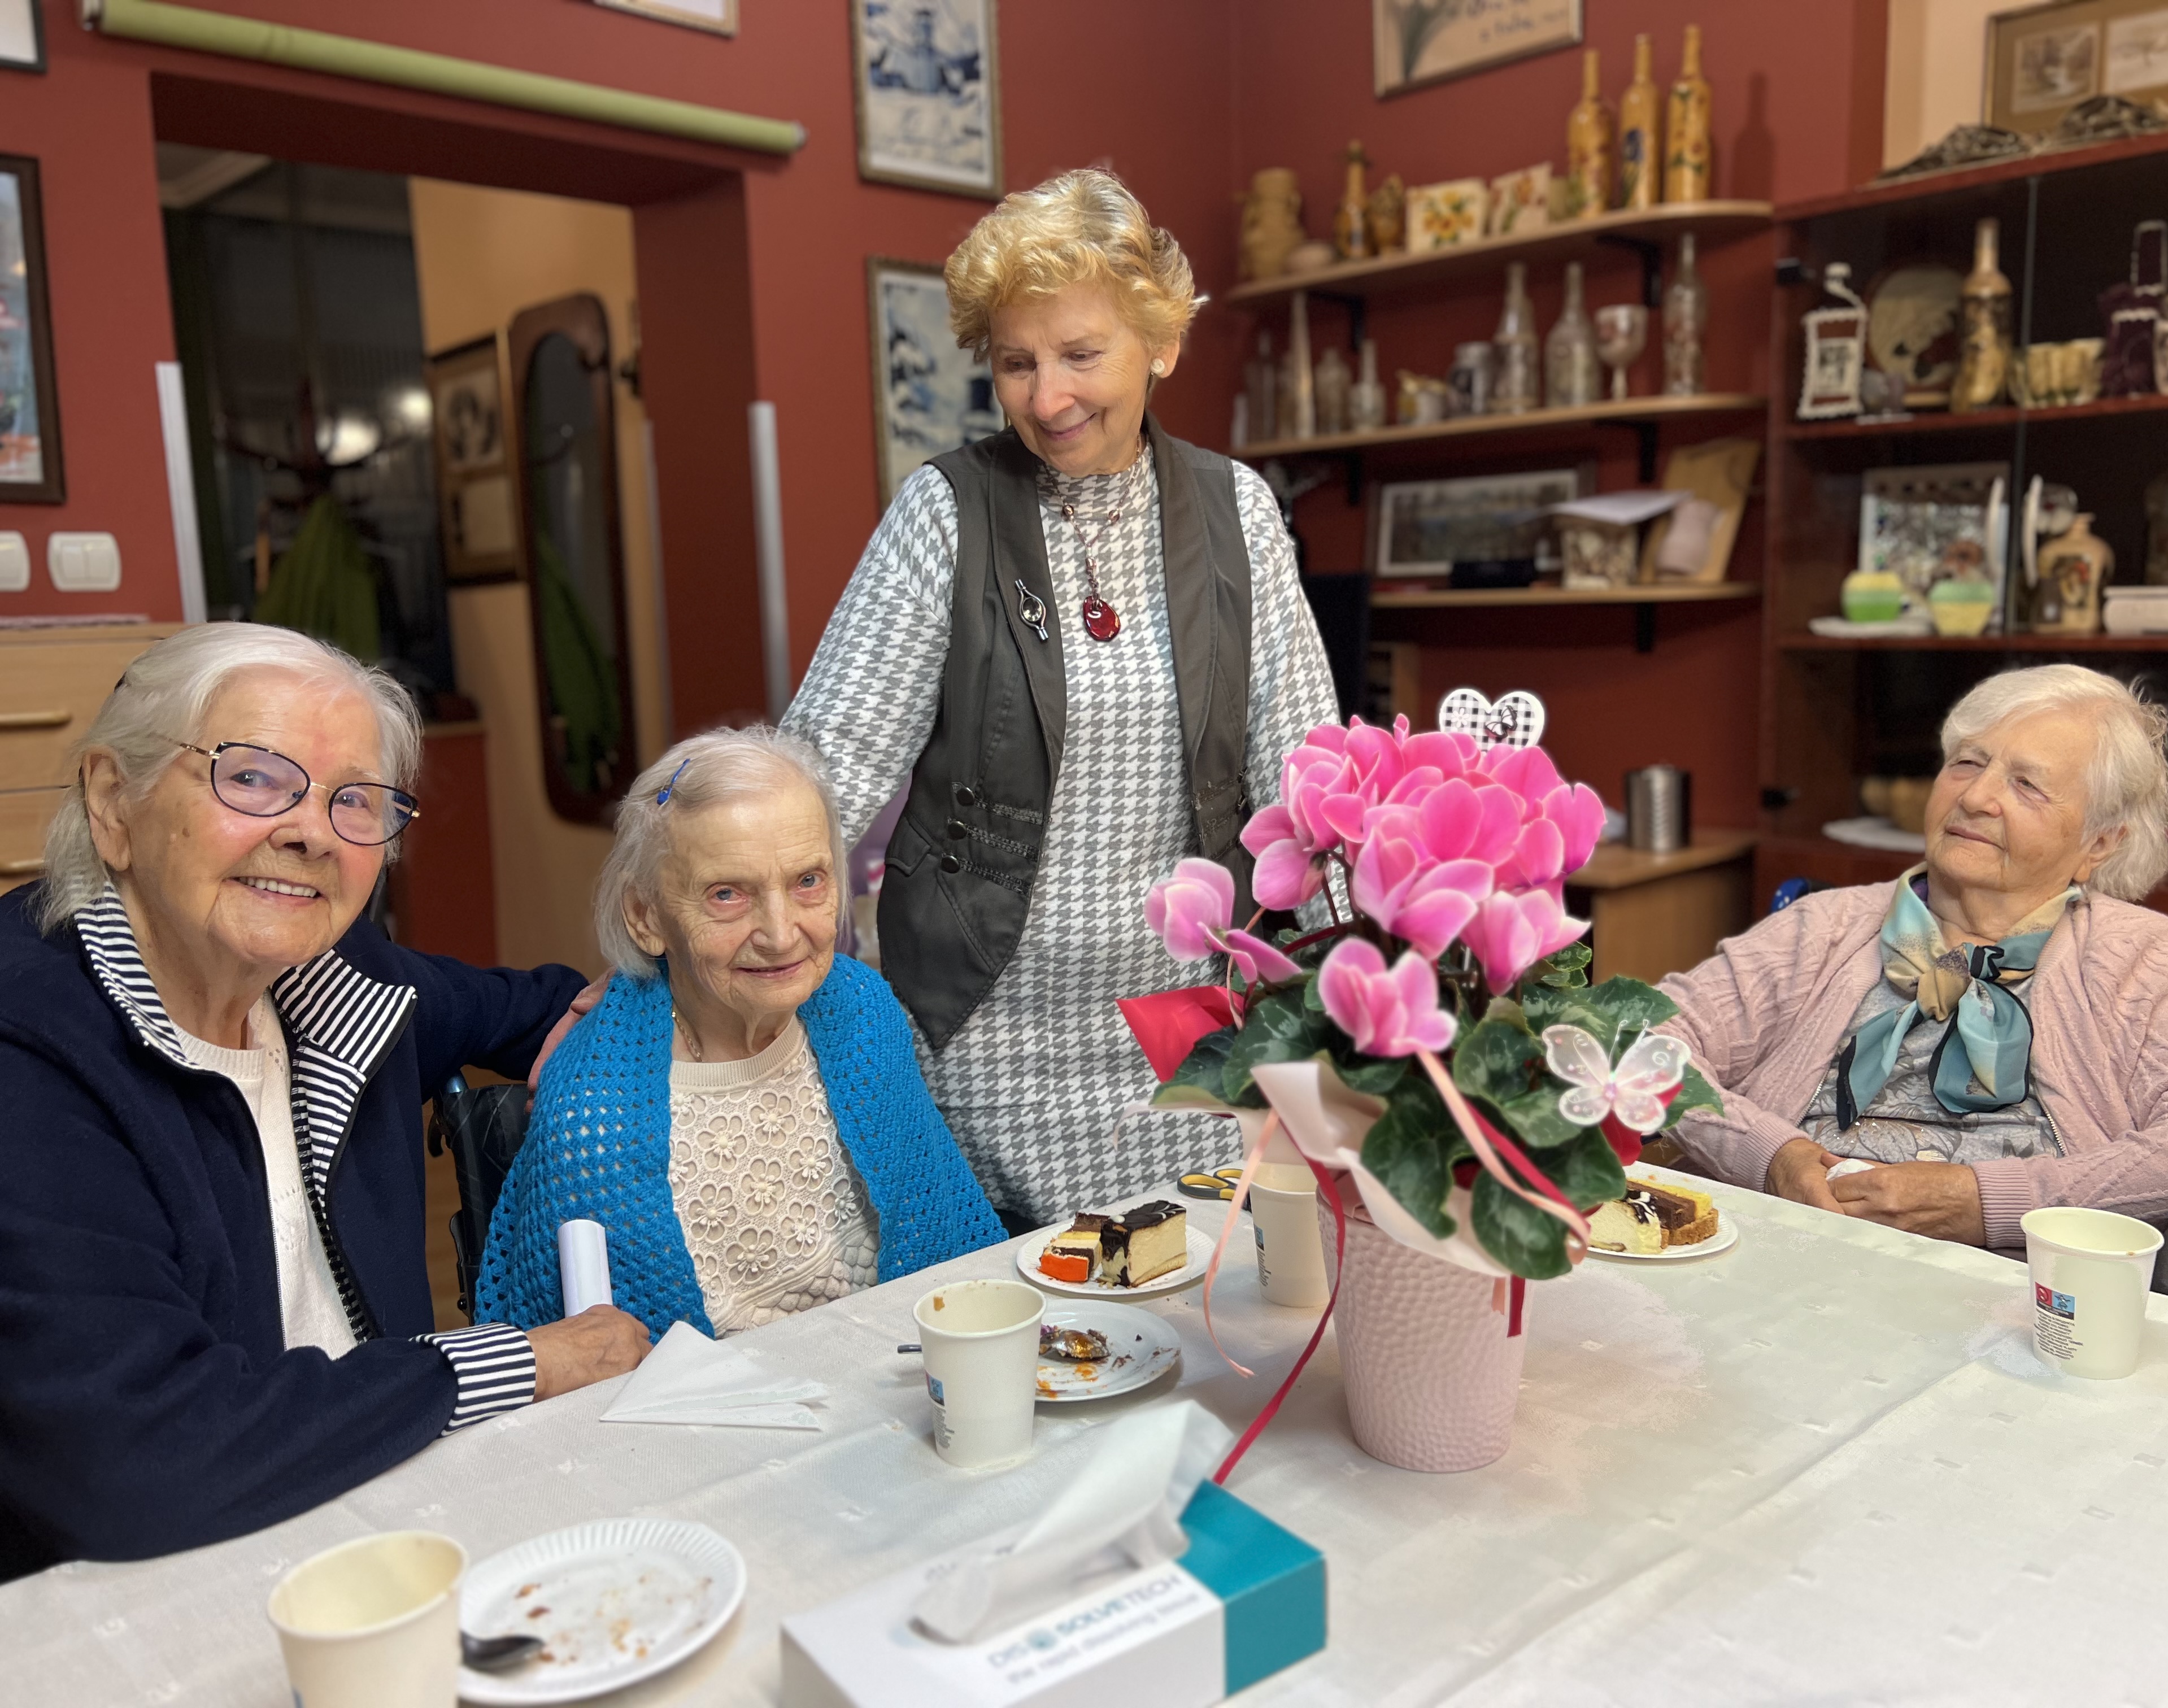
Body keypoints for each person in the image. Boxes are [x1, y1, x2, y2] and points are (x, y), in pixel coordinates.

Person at [0, 625, 650, 1578]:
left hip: (377, 1523)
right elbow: (140, 1459)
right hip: (139, 1594)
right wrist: (517, 1360)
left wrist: (614, 1008)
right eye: (254, 777)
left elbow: (538, 1003)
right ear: (114, 803)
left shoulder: (336, 981)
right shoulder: (31, 1052)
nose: (310, 830)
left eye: (356, 800)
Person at [781, 168, 1339, 1227]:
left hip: (1189, 1029)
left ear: (1162, 342)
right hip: (983, 1033)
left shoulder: (1241, 517)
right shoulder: (944, 514)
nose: (1047, 397)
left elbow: (1306, 788)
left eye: (1082, 354)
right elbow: (822, 768)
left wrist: (1376, 999)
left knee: (1187, 1322)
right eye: (1015, 363)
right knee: (1035, 1337)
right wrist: (684, 940)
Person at [1658, 665, 2168, 1249]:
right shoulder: (1824, 928)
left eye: (2026, 785)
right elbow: (1642, 1039)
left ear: (2100, 843)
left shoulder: (2146, 959)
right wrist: (1768, 1156)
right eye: (1967, 763)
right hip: (1788, 1245)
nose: (1977, 796)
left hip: (2017, 1291)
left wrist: (1993, 1204)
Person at [477, 729, 1004, 1337]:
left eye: (808, 881)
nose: (781, 935)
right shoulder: (593, 1117)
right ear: (646, 917)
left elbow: (949, 1251)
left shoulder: (864, 1015)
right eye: (727, 895)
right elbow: (572, 1388)